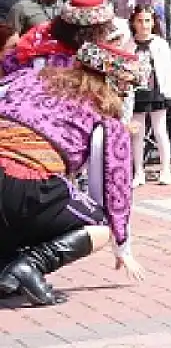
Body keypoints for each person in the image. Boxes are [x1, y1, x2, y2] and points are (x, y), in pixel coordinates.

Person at [0, 39, 149, 306]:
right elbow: (115, 187)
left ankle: (5, 269)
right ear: (116, 85)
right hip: (28, 183)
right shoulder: (104, 117)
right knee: (98, 226)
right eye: (127, 89)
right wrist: (121, 245)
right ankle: (30, 265)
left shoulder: (28, 77)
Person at [127, 6, 171, 188]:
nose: (144, 25)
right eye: (140, 21)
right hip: (136, 92)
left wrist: (170, 91)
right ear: (133, 22)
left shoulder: (160, 43)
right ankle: (138, 171)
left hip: (157, 90)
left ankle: (166, 169)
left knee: (160, 130)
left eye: (147, 21)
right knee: (137, 133)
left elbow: (168, 70)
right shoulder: (129, 44)